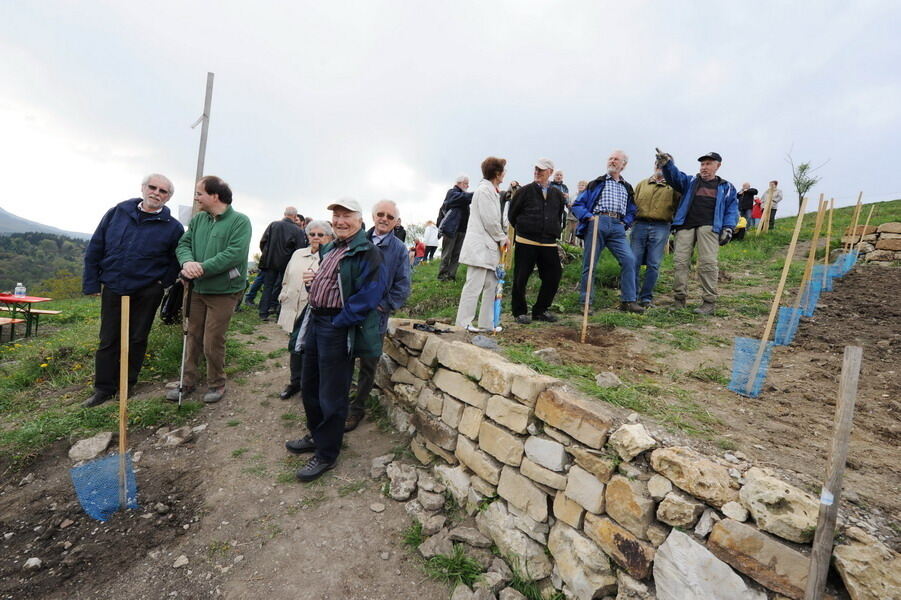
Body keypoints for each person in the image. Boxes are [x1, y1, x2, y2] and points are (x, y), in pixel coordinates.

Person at [285, 198, 387, 482]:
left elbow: (370, 295)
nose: (341, 221)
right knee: (309, 384)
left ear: (360, 219)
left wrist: (339, 322)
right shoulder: (331, 247)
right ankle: (316, 435)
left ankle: (327, 453)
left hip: (336, 326)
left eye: (347, 216)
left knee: (332, 392)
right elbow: (328, 282)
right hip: (316, 320)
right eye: (336, 215)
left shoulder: (368, 252)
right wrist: (311, 283)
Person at [82, 174, 184, 407]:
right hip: (114, 286)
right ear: (143, 188)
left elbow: (175, 259)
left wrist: (162, 284)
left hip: (147, 290)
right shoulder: (117, 213)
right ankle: (103, 389)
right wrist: (91, 282)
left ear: (168, 198)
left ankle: (126, 385)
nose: (157, 193)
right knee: (108, 339)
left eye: (163, 191)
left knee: (137, 338)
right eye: (153, 187)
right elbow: (96, 246)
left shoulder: (173, 227)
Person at [168, 176, 251, 403]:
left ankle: (217, 383)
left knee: (212, 339)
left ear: (215, 196)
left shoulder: (240, 222)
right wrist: (187, 263)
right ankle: (187, 382)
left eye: (199, 193)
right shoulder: (198, 220)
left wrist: (201, 268)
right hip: (196, 289)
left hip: (224, 292)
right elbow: (184, 244)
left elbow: (234, 254)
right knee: (192, 336)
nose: (196, 198)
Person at [346, 200, 411, 432]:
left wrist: (382, 307)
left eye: (390, 217)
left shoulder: (400, 250)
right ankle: (340, 403)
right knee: (343, 358)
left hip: (376, 317)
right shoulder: (357, 240)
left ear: (396, 222)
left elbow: (403, 286)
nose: (384, 219)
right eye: (380, 214)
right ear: (373, 216)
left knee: (368, 364)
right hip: (350, 311)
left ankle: (356, 410)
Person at [656, 150, 738, 315]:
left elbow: (732, 208)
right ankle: (679, 300)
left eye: (708, 164)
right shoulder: (690, 181)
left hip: (709, 227)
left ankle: (708, 302)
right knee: (680, 262)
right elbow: (674, 177)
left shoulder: (726, 187)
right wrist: (667, 164)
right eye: (702, 164)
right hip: (685, 225)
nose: (704, 167)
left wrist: (728, 227)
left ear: (718, 166)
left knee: (708, 263)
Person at [571, 150, 643, 314]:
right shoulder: (596, 183)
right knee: (590, 263)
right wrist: (589, 217)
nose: (612, 161)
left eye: (616, 159)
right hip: (597, 222)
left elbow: (632, 210)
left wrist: (626, 222)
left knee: (629, 260)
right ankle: (586, 302)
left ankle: (628, 301)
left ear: (623, 165)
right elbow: (577, 205)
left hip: (618, 225)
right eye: (610, 158)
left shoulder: (627, 187)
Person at [277, 220, 334, 400]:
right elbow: (287, 277)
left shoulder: (330, 257)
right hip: (292, 306)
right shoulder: (297, 254)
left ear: (329, 237)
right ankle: (295, 382)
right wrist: (283, 294)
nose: (316, 238)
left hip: (312, 310)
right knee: (295, 346)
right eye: (312, 234)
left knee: (311, 349)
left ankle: (310, 385)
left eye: (320, 235)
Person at [455, 157, 510, 332]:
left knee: (491, 285)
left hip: (489, 248)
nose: (504, 174)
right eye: (503, 170)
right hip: (480, 247)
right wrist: (502, 237)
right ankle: (463, 323)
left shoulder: (492, 190)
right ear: (497, 173)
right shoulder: (484, 191)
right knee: (474, 285)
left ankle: (487, 323)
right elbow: (490, 221)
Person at [508, 158, 566, 323]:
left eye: (541, 170)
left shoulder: (557, 194)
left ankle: (540, 310)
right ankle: (519, 312)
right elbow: (512, 214)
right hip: (526, 241)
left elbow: (559, 214)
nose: (537, 172)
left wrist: (555, 229)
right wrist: (524, 228)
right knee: (521, 277)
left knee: (553, 275)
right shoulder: (524, 191)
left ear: (550, 172)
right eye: (536, 169)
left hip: (548, 242)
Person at [630, 167, 681, 307]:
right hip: (639, 224)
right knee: (633, 262)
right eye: (657, 164)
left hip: (661, 226)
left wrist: (675, 224)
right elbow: (633, 203)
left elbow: (679, 205)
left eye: (663, 165)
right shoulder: (642, 184)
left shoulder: (673, 186)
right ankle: (632, 296)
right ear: (654, 167)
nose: (660, 168)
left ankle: (646, 298)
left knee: (653, 264)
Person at [258, 207, 308, 322]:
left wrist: (267, 254)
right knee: (284, 288)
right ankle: (279, 313)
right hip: (287, 263)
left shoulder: (273, 225)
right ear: (295, 217)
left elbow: (263, 242)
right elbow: (300, 249)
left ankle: (263, 312)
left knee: (268, 287)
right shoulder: (298, 230)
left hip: (270, 261)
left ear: (284, 214)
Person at [436, 175, 473, 281]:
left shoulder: (464, 196)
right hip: (451, 229)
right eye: (466, 183)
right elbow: (463, 198)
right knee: (447, 253)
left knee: (457, 254)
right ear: (459, 183)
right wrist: (477, 194)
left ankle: (451, 276)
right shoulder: (452, 193)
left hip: (462, 230)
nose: (468, 186)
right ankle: (442, 276)